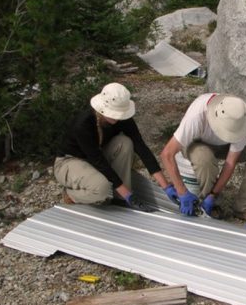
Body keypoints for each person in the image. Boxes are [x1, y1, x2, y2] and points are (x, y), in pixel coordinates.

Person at [54, 82, 172, 210]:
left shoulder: (122, 119)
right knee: (101, 188)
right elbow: (98, 160)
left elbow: (141, 147)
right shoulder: (83, 124)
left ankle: (119, 199)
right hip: (70, 161)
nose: (118, 118)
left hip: (96, 158)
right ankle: (71, 195)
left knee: (125, 143)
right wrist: (128, 194)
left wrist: (166, 187)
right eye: (115, 113)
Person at [160, 93, 246, 224]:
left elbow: (230, 163)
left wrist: (214, 194)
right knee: (204, 158)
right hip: (196, 143)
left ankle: (245, 208)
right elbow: (167, 154)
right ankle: (205, 206)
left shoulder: (238, 118)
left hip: (224, 145)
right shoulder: (197, 115)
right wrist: (182, 192)